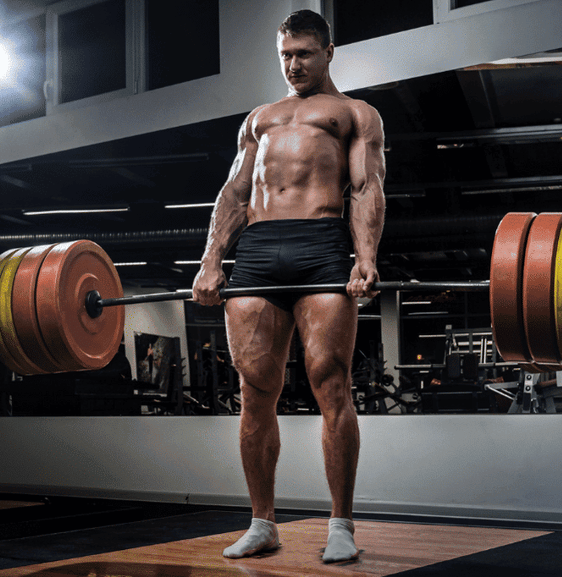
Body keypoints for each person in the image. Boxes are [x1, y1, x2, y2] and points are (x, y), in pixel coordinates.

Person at [191, 9, 386, 562]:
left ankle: (341, 525)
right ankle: (262, 522)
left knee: (331, 384)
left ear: (328, 52)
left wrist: (365, 257)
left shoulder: (353, 113)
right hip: (256, 252)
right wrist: (211, 260)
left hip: (321, 246)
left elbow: (365, 185)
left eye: (303, 53)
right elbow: (232, 192)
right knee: (255, 391)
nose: (293, 65)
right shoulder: (259, 118)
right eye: (285, 55)